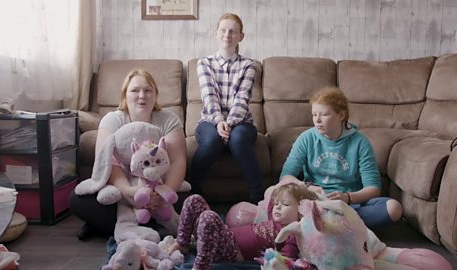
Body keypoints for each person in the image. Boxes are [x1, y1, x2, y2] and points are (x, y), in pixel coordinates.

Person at [69, 69, 187, 238]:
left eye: (148, 90)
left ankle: (107, 226)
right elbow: (106, 161)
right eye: (135, 90)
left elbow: (177, 160)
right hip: (120, 189)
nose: (142, 95)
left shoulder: (169, 119)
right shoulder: (112, 119)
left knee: (187, 199)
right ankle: (151, 230)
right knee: (77, 200)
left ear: (155, 95)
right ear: (125, 95)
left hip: (159, 185)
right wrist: (129, 192)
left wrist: (165, 193)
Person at [280, 87, 402, 228]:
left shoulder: (360, 142)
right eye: (314, 115)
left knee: (394, 208)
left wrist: (348, 198)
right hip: (314, 202)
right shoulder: (306, 138)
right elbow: (285, 177)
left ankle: (325, 224)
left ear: (341, 115)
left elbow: (373, 189)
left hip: (349, 205)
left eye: (324, 115)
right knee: (273, 194)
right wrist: (306, 187)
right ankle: (341, 225)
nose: (317, 120)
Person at [190, 13, 263, 204]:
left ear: (241, 36)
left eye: (233, 31)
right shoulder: (204, 63)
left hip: (241, 123)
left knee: (238, 139)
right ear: (216, 33)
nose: (227, 34)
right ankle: (192, 197)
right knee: (213, 140)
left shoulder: (249, 65)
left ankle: (259, 201)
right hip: (209, 121)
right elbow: (209, 97)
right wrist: (219, 122)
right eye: (223, 30)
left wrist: (228, 124)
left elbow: (242, 99)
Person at [167, 183, 318, 270]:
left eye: (285, 204)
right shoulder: (274, 218)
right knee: (194, 200)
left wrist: (310, 203)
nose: (277, 207)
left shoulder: (292, 234)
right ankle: (183, 243)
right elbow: (273, 197)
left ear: (300, 210)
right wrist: (298, 187)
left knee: (209, 217)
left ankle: (201, 266)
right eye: (277, 204)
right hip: (222, 235)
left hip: (232, 250)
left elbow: (287, 260)